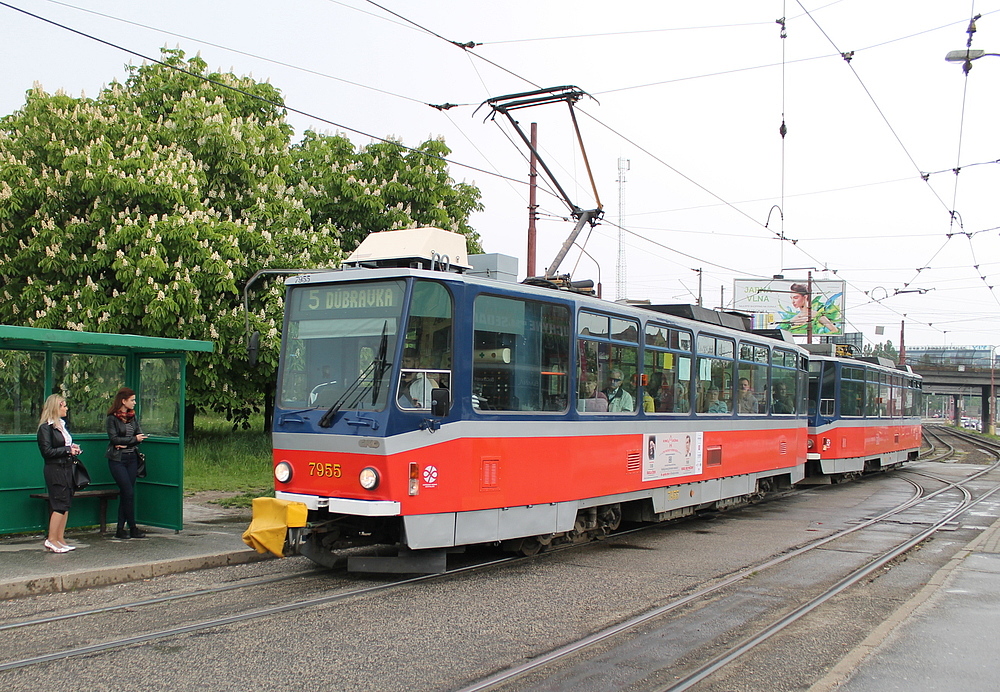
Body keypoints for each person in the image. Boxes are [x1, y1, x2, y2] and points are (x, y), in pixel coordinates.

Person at [37, 394, 82, 553]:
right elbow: (47, 451)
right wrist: (67, 450)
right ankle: (51, 539)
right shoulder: (45, 427)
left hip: (67, 467)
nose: (66, 408)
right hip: (55, 469)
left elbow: (64, 445)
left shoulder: (62, 425)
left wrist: (73, 449)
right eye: (63, 405)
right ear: (56, 407)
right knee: (59, 504)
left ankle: (60, 538)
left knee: (66, 503)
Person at [106, 387, 148, 539]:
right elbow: (114, 439)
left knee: (127, 494)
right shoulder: (112, 418)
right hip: (117, 460)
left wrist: (129, 442)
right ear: (123, 401)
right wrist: (133, 441)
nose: (134, 403)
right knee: (127, 492)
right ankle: (132, 527)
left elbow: (139, 434)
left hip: (132, 458)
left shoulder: (132, 417)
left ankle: (122, 529)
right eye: (132, 400)